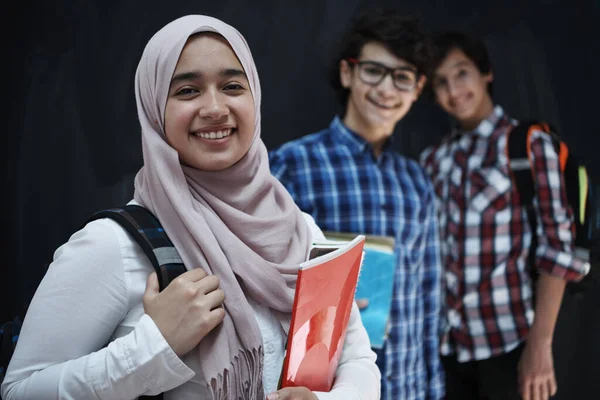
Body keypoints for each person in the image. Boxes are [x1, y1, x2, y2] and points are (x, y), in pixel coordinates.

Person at [0, 15, 380, 400]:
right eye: (186, 91)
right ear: (153, 109)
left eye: (232, 86)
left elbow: (358, 360)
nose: (214, 107)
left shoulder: (299, 229)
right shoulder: (113, 245)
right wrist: (156, 345)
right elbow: (21, 390)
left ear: (255, 98)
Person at [269, 9, 444, 400]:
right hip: (326, 387)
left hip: (406, 384)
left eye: (402, 77)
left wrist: (433, 388)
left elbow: (429, 297)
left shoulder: (417, 182)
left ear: (417, 89)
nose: (387, 88)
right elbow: (256, 275)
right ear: (347, 74)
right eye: (373, 71)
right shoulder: (292, 164)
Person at [420, 31, 590, 400]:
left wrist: (540, 347)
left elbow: (558, 251)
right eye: (441, 82)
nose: (454, 90)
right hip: (446, 350)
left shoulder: (527, 145)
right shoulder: (433, 161)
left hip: (509, 342)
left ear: (486, 74)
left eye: (462, 73)